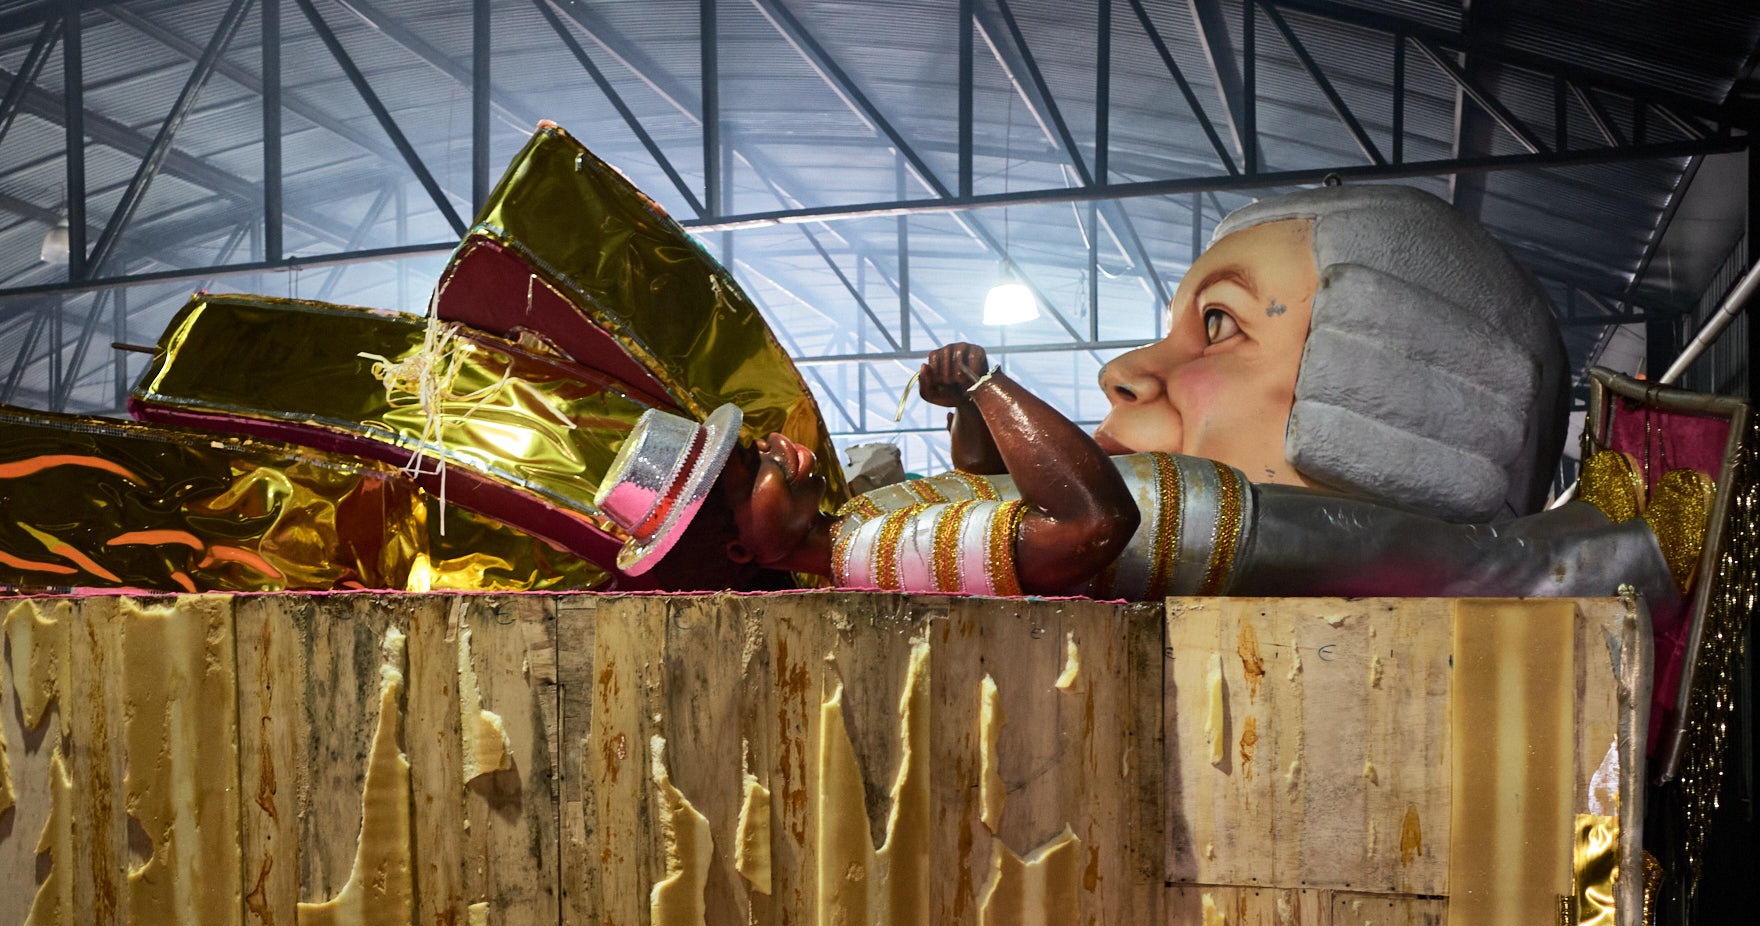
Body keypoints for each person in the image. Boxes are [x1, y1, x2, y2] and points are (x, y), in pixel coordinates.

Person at [612, 183, 1680, 614]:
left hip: (1184, 522)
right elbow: (1083, 527)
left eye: (1210, 325)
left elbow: (981, 499)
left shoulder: (863, 530)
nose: (780, 453)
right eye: (750, 471)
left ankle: (1554, 559)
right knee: (1406, 554)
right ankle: (1568, 568)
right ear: (742, 551)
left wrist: (969, 416)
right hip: (1174, 532)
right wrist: (988, 382)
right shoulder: (867, 560)